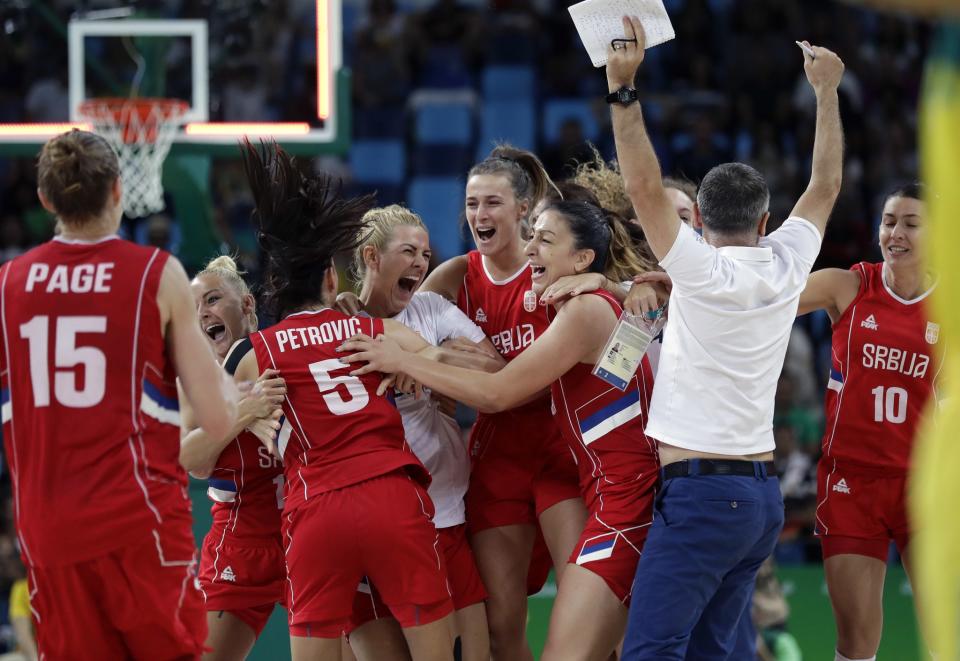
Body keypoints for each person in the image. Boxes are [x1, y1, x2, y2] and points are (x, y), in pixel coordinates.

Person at [603, 18, 845, 659]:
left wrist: (622, 90)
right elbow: (824, 187)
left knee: (650, 650)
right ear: (767, 221)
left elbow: (642, 187)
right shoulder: (787, 262)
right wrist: (826, 91)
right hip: (759, 498)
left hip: (704, 493)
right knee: (723, 653)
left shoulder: (696, 268)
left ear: (700, 221)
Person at [341, 198, 660, 660]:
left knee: (605, 648)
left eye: (544, 240)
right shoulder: (585, 301)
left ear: (582, 258)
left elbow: (497, 393)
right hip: (607, 488)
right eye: (532, 237)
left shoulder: (585, 310)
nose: (528, 249)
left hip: (624, 495)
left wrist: (406, 359)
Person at [0, 129, 238, 658]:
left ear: (45, 201)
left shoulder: (7, 284)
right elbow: (218, 418)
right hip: (137, 520)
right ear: (118, 193)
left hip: (46, 527)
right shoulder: (156, 273)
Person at [228, 139, 455, 661]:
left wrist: (250, 413)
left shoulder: (255, 352)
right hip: (391, 492)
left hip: (317, 505)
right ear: (332, 280)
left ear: (274, 289)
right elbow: (443, 368)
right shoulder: (367, 328)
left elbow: (206, 425)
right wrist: (411, 370)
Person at [418, 145, 586, 660]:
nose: (479, 215)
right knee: (501, 626)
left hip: (563, 455)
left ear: (522, 211)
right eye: (471, 204)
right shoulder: (455, 277)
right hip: (497, 461)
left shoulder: (555, 273)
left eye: (492, 203)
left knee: (589, 617)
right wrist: (356, 302)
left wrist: (483, 371)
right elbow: (398, 320)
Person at [339, 204, 504, 661]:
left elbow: (494, 369)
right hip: (378, 520)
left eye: (426, 254)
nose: (420, 262)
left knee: (475, 652)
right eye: (408, 251)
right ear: (372, 257)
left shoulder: (430, 308)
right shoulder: (335, 326)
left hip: (446, 511)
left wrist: (426, 362)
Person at [798, 183, 940, 661]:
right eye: (888, 221)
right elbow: (763, 300)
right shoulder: (851, 285)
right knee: (856, 644)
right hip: (851, 482)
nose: (895, 233)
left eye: (911, 224)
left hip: (927, 485)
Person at [179, 255, 289, 660]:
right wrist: (242, 415)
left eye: (211, 300)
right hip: (240, 543)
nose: (202, 313)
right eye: (193, 309)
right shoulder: (193, 380)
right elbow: (193, 461)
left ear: (246, 306)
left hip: (304, 533)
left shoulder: (282, 351)